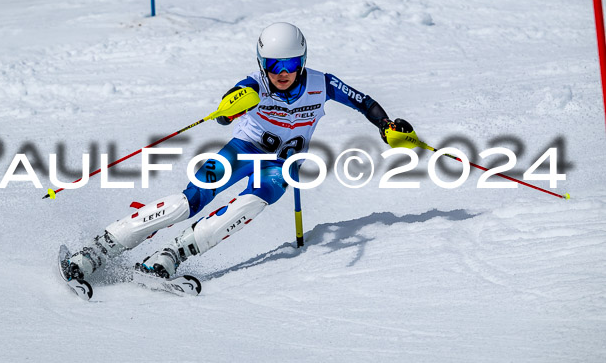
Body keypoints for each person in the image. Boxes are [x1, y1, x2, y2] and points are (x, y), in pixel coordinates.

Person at [63, 22, 412, 281]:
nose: (282, 73)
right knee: (189, 201)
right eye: (274, 65)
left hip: (280, 166)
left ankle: (173, 254)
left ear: (302, 60)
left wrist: (386, 125)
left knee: (252, 203)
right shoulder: (255, 83)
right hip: (242, 150)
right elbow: (230, 105)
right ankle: (100, 248)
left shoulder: (322, 83)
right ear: (262, 62)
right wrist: (229, 108)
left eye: (290, 64)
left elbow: (363, 102)